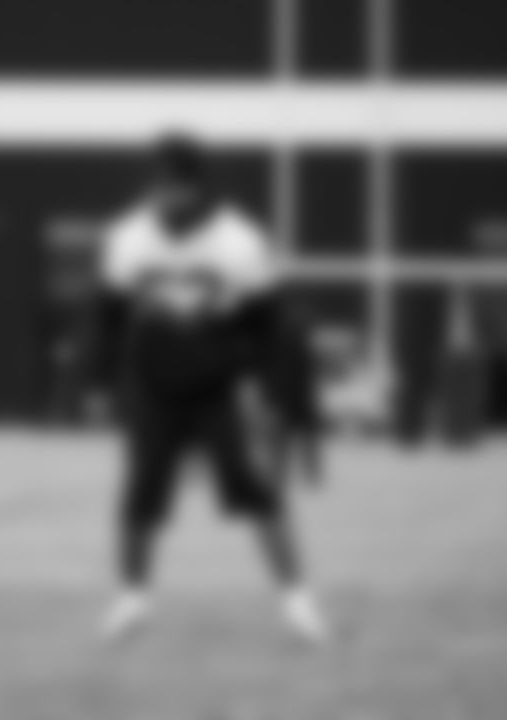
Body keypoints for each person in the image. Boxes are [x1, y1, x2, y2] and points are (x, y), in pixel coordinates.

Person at [84, 133, 329, 644]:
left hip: (219, 388)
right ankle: (132, 600)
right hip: (153, 386)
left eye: (174, 185)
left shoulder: (237, 240)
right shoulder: (130, 237)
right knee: (140, 494)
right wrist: (100, 381)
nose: (164, 195)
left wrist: (268, 387)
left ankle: (298, 601)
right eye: (158, 183)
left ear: (195, 187)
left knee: (257, 491)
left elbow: (269, 322)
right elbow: (108, 316)